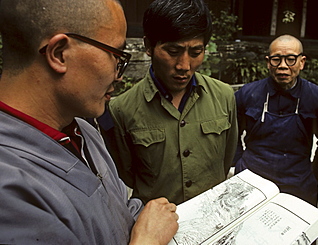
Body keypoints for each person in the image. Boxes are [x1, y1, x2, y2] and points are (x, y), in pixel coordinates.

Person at [0, 0, 178, 244]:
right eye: (116, 56)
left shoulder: (83, 129)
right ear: (60, 53)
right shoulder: (9, 190)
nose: (119, 75)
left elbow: (119, 211)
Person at [109, 0, 238, 205]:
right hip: (157, 230)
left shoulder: (224, 96)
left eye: (196, 53)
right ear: (149, 46)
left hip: (212, 220)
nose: (184, 65)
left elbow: (226, 159)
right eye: (173, 51)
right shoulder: (121, 109)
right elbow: (127, 174)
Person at [233, 35, 318, 206]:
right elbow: (232, 134)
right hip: (251, 178)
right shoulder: (247, 94)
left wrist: (316, 175)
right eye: (276, 59)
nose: (283, 66)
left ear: (302, 62)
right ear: (268, 62)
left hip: (298, 182)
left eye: (291, 59)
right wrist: (239, 166)